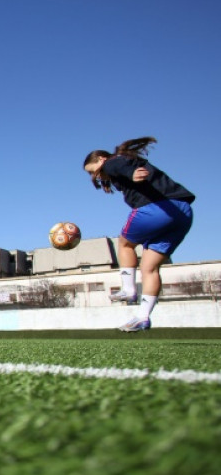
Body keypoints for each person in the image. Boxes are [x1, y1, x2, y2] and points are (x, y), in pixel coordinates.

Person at [83, 137, 195, 332]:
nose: (96, 176)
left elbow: (120, 167)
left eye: (93, 171)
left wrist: (131, 173)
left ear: (101, 159)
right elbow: (124, 169)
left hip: (158, 208)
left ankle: (128, 289)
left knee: (125, 244)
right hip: (182, 213)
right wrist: (130, 173)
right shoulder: (124, 162)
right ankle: (143, 317)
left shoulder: (112, 162)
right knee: (149, 267)